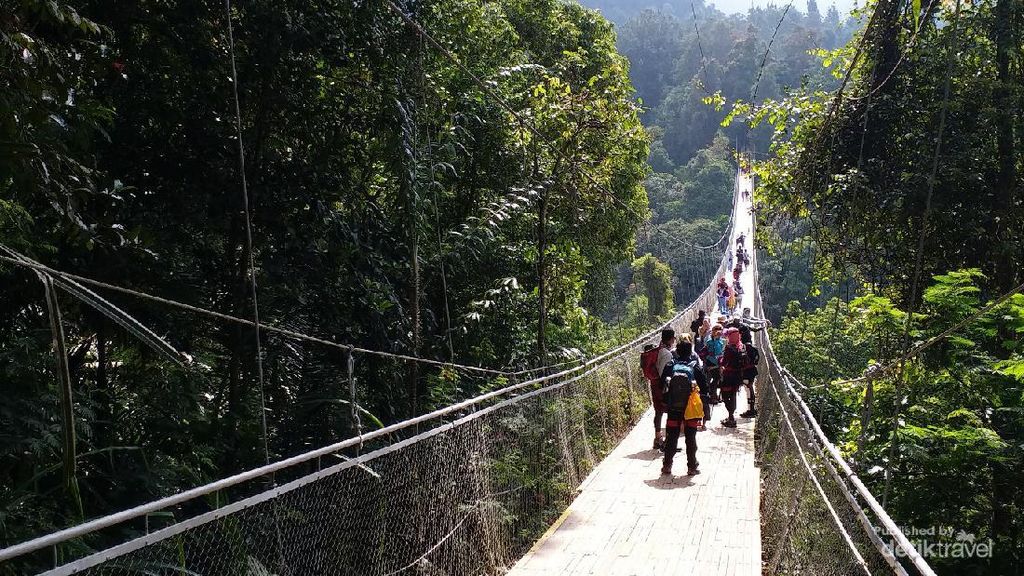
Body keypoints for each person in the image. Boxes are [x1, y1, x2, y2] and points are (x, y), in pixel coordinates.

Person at [661, 338, 705, 475]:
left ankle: (667, 465)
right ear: (690, 351)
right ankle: (692, 467)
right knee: (690, 437)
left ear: (677, 352)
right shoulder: (694, 367)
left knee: (671, 437)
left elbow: (662, 384)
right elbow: (704, 387)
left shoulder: (670, 365)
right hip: (690, 408)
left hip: (673, 407)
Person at [648, 329, 676, 449]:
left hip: (655, 385)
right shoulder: (667, 353)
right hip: (663, 387)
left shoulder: (658, 349)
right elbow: (664, 373)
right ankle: (667, 441)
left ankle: (658, 437)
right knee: (669, 412)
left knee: (658, 412)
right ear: (671, 339)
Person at [719, 327, 745, 427]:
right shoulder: (741, 346)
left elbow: (724, 362)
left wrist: (720, 360)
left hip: (728, 376)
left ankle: (731, 417)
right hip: (738, 375)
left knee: (725, 396)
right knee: (733, 394)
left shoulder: (729, 348)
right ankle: (731, 417)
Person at [739, 330, 760, 418]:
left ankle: (750, 410)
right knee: (750, 388)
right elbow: (757, 359)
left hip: (746, 372)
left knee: (748, 390)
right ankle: (752, 409)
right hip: (753, 371)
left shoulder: (743, 348)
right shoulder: (754, 348)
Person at [704, 324, 725, 404]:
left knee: (717, 379)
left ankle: (714, 395)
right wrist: (716, 339)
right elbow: (715, 352)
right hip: (711, 362)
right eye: (716, 330)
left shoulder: (721, 340)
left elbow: (721, 351)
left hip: (718, 362)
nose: (718, 332)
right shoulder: (709, 341)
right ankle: (713, 396)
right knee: (714, 379)